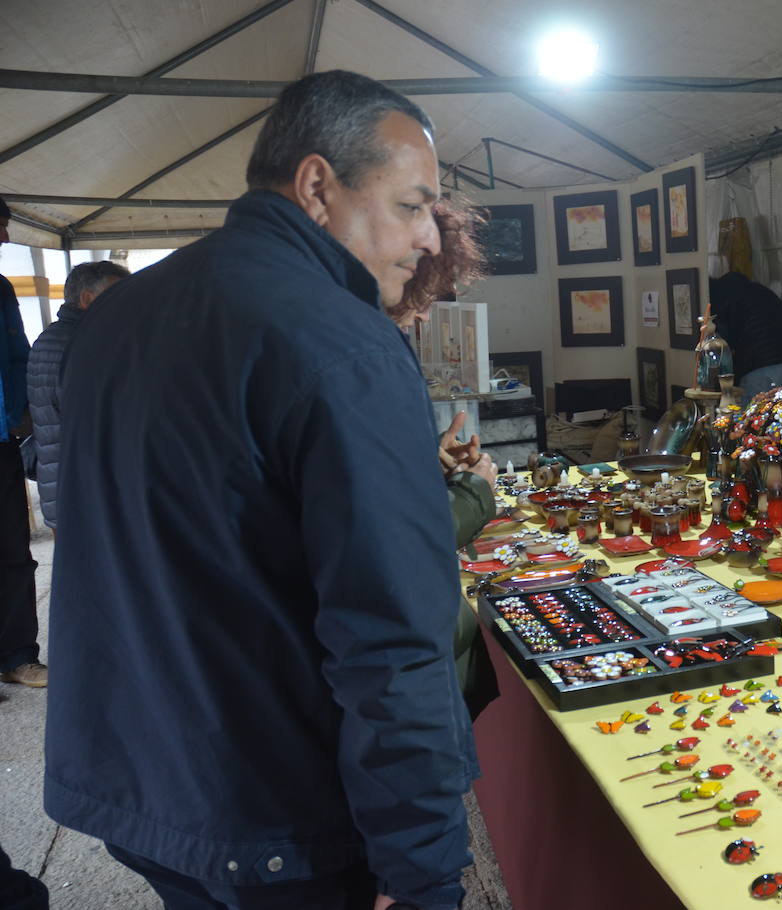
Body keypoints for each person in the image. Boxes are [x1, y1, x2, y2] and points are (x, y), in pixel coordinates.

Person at [46, 71, 480, 910]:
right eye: (412, 205)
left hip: (141, 786)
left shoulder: (121, 315)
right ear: (318, 186)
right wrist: (423, 868)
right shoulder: (343, 344)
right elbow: (391, 638)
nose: (431, 237)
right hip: (274, 817)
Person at [390, 198, 500, 719]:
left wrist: (429, 461)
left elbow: (383, 482)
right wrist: (475, 490)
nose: (427, 313)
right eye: (426, 290)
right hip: (407, 651)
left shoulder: (374, 344)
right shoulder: (368, 354)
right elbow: (396, 530)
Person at [25, 260, 129, 530]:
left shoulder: (53, 337)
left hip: (65, 485)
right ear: (87, 298)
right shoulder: (81, 343)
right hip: (85, 490)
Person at [0, 197, 42, 690]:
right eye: (1, 227)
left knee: (13, 551)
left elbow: (20, 358)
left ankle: (18, 656)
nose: (7, 238)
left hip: (2, 440)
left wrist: (24, 421)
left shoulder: (2, 289)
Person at [707, 270, 782, 404]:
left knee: (752, 419)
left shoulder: (720, 299)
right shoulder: (754, 289)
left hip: (762, 367)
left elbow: (722, 346)